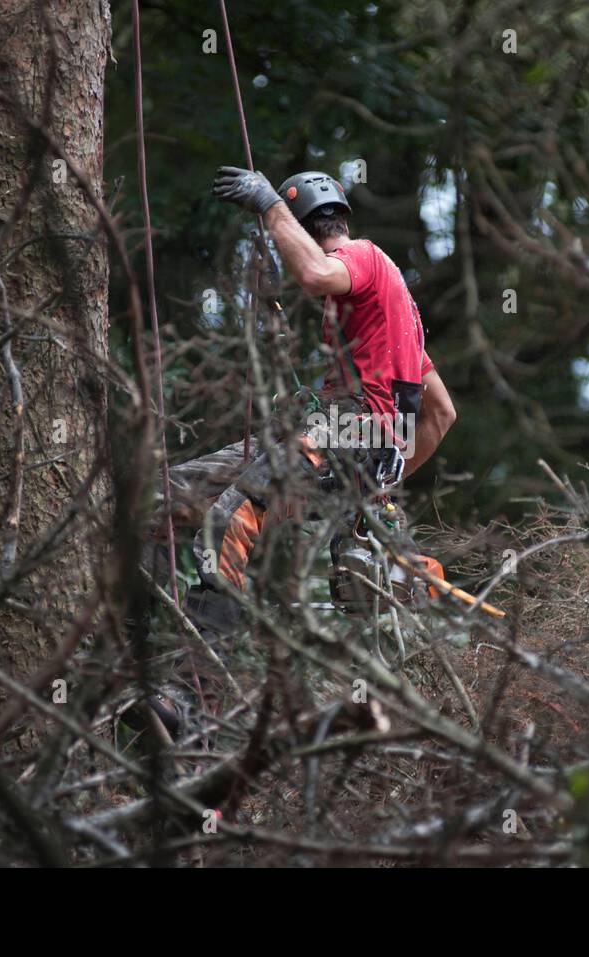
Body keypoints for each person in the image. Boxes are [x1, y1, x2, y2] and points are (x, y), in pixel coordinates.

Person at [149, 168, 456, 734]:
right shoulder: (393, 317)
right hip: (336, 434)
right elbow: (440, 415)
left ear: (309, 228)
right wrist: (378, 484)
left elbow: (316, 272)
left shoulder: (361, 257)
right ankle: (139, 658)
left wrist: (268, 204)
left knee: (231, 520)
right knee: (164, 499)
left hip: (349, 430)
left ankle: (193, 697)